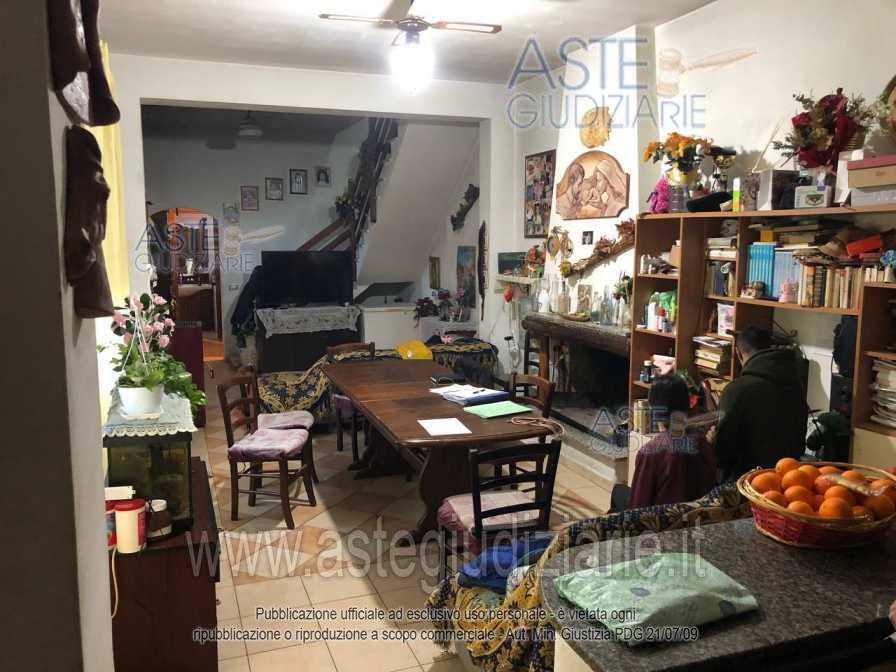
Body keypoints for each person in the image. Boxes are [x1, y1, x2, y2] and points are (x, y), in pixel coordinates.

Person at [712, 327, 809, 482]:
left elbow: (722, 455)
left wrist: (712, 439)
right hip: (788, 481)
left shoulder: (737, 390)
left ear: (737, 353)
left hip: (748, 484)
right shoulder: (794, 385)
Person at [629, 374, 717, 508]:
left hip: (664, 519)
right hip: (699, 517)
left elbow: (637, 506)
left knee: (618, 493)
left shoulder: (650, 452)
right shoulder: (703, 442)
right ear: (688, 404)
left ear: (652, 410)